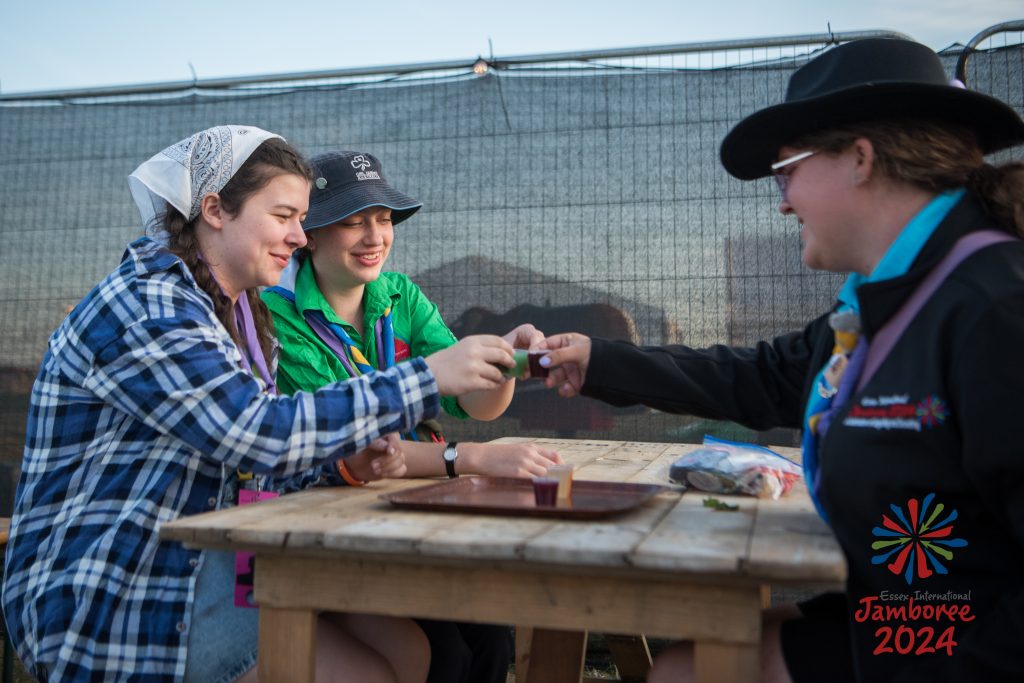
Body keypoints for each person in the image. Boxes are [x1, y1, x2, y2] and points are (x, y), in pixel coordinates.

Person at [539, 38, 1024, 682]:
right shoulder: (883, 302)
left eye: (786, 171)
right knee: (684, 668)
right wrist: (600, 360)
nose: (782, 200)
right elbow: (765, 377)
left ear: (859, 158)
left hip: (964, 644)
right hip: (921, 617)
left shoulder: (996, 308)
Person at [1, 125, 521, 683]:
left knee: (414, 654)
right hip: (116, 587)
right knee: (376, 671)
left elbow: (242, 463)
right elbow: (255, 432)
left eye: (302, 219)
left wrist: (340, 463)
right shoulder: (149, 303)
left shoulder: (239, 314)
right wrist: (425, 378)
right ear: (215, 209)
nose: (300, 236)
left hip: (211, 557)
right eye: (284, 216)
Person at [262, 149, 562, 683]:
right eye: (352, 221)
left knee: (491, 635)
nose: (374, 237)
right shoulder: (277, 316)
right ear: (309, 232)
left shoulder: (401, 295)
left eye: (383, 219)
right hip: (333, 521)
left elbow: (476, 404)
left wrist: (507, 361)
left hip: (413, 510)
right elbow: (355, 447)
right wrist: (472, 457)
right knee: (445, 654)